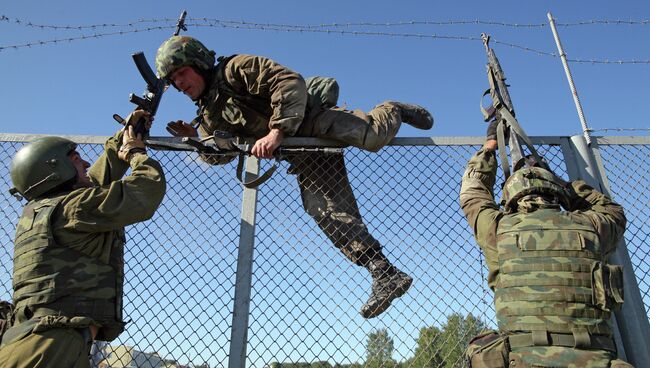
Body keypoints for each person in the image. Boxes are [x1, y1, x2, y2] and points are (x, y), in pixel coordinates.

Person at [155, 35, 433, 318]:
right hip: (301, 152)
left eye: (182, 72)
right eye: (173, 79)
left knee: (372, 136)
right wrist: (195, 140)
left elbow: (289, 81)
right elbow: (221, 155)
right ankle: (384, 273)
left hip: (312, 120)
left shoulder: (235, 69)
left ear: (199, 64)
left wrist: (276, 131)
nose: (179, 82)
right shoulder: (208, 115)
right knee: (324, 210)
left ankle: (392, 109)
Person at [0, 111, 166, 368]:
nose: (87, 164)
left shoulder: (46, 209)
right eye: (77, 159)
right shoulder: (73, 208)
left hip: (35, 340)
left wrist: (122, 137)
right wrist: (135, 153)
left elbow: (95, 183)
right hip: (51, 347)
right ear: (54, 168)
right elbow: (145, 190)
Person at [459, 125, 632, 367]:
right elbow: (614, 211)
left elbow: (472, 192)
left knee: (482, 348)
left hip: (525, 360)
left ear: (510, 197)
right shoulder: (591, 226)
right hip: (597, 359)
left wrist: (490, 146)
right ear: (556, 193)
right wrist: (568, 187)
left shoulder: (499, 230)